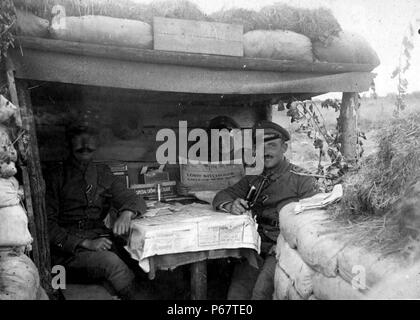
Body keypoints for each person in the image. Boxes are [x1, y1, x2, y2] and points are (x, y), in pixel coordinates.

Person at [212, 120, 320, 300]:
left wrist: (285, 244)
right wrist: (231, 205)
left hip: (283, 247)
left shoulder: (302, 179)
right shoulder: (253, 178)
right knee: (236, 296)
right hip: (257, 246)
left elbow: (314, 219)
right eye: (261, 145)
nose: (265, 151)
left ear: (284, 148)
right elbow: (221, 196)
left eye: (272, 145)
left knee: (260, 293)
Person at [44, 119, 149, 300]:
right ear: (69, 141)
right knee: (113, 264)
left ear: (97, 142)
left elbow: (134, 198)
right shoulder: (55, 176)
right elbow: (47, 226)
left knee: (140, 258)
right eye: (79, 137)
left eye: (90, 137)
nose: (85, 144)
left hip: (100, 240)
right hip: (67, 253)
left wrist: (126, 213)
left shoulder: (102, 173)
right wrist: (85, 244)